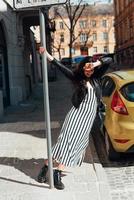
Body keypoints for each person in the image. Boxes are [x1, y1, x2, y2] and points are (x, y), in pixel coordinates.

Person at [38, 47, 112, 190]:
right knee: (66, 144)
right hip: (76, 117)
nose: (88, 70)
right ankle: (53, 171)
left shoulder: (97, 78)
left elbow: (109, 59)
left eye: (91, 68)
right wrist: (45, 54)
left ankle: (50, 169)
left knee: (74, 146)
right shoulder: (77, 78)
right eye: (86, 67)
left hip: (88, 120)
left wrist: (96, 63)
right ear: (82, 68)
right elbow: (59, 66)